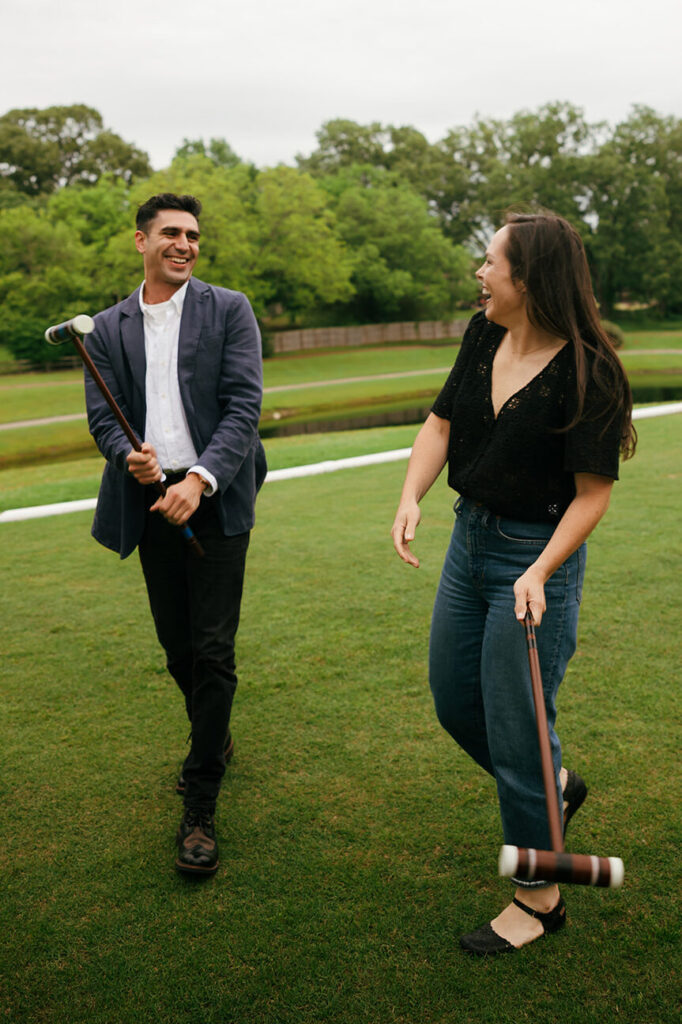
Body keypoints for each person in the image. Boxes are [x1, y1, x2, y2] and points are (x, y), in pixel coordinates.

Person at [391, 211, 636, 954]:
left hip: (535, 559)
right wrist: (411, 495)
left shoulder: (591, 371)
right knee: (453, 700)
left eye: (490, 261)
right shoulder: (482, 335)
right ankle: (552, 786)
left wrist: (539, 569)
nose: (480, 272)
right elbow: (440, 423)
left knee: (519, 723)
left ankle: (540, 897)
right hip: (469, 543)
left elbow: (592, 494)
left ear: (527, 279)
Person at [85, 192, 267, 876]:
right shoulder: (105, 328)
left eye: (192, 234)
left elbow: (244, 406)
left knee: (214, 652)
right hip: (152, 504)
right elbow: (104, 420)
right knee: (178, 649)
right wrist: (126, 457)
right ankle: (214, 734)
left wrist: (200, 479)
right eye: (170, 233)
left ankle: (200, 801)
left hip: (215, 497)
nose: (184, 244)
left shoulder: (231, 309)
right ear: (142, 241)